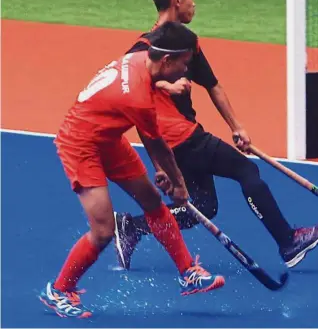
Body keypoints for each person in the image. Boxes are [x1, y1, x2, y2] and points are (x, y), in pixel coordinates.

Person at [113, 0, 318, 272]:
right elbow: (125, 76)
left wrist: (236, 126)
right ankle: (288, 241)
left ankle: (132, 227)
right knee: (246, 170)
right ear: (177, 1)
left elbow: (212, 85)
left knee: (203, 207)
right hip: (180, 138)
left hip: (180, 139)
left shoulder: (188, 43)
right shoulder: (146, 46)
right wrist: (165, 87)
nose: (194, 4)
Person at [38, 22, 225, 319]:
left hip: (108, 138)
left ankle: (188, 272)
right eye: (185, 63)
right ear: (167, 60)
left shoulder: (141, 60)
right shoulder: (136, 96)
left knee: (152, 202)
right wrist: (179, 184)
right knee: (103, 231)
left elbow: (147, 130)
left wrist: (160, 172)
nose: (187, 69)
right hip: (81, 145)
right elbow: (157, 142)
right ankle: (59, 291)